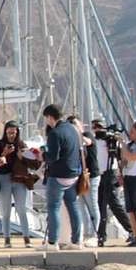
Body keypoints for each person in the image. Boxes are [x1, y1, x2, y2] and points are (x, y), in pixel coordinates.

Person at [42, 103, 84, 249]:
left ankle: (53, 242)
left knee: (53, 208)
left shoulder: (55, 133)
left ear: (51, 117)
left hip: (58, 175)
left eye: (47, 118)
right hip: (73, 174)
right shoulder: (73, 130)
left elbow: (53, 157)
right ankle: (76, 241)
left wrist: (43, 155)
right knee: (73, 207)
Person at [0, 121, 36, 248]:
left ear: (17, 133)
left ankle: (26, 238)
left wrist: (22, 156)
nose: (11, 136)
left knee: (21, 209)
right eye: (8, 133)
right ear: (5, 132)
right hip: (4, 178)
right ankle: (7, 239)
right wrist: (5, 153)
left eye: (13, 133)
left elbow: (33, 163)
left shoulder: (22, 145)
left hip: (19, 179)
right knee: (6, 211)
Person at [92, 119, 128, 244]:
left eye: (99, 127)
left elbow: (119, 156)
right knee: (100, 203)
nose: (97, 129)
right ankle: (101, 234)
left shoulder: (109, 141)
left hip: (110, 171)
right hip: (100, 173)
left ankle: (130, 229)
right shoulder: (95, 141)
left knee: (112, 202)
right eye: (94, 127)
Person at [72, 116, 101, 248]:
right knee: (82, 206)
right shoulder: (72, 140)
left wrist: (76, 134)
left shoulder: (87, 135)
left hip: (91, 174)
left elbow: (88, 142)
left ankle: (94, 234)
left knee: (92, 204)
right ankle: (86, 233)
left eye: (75, 124)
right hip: (79, 176)